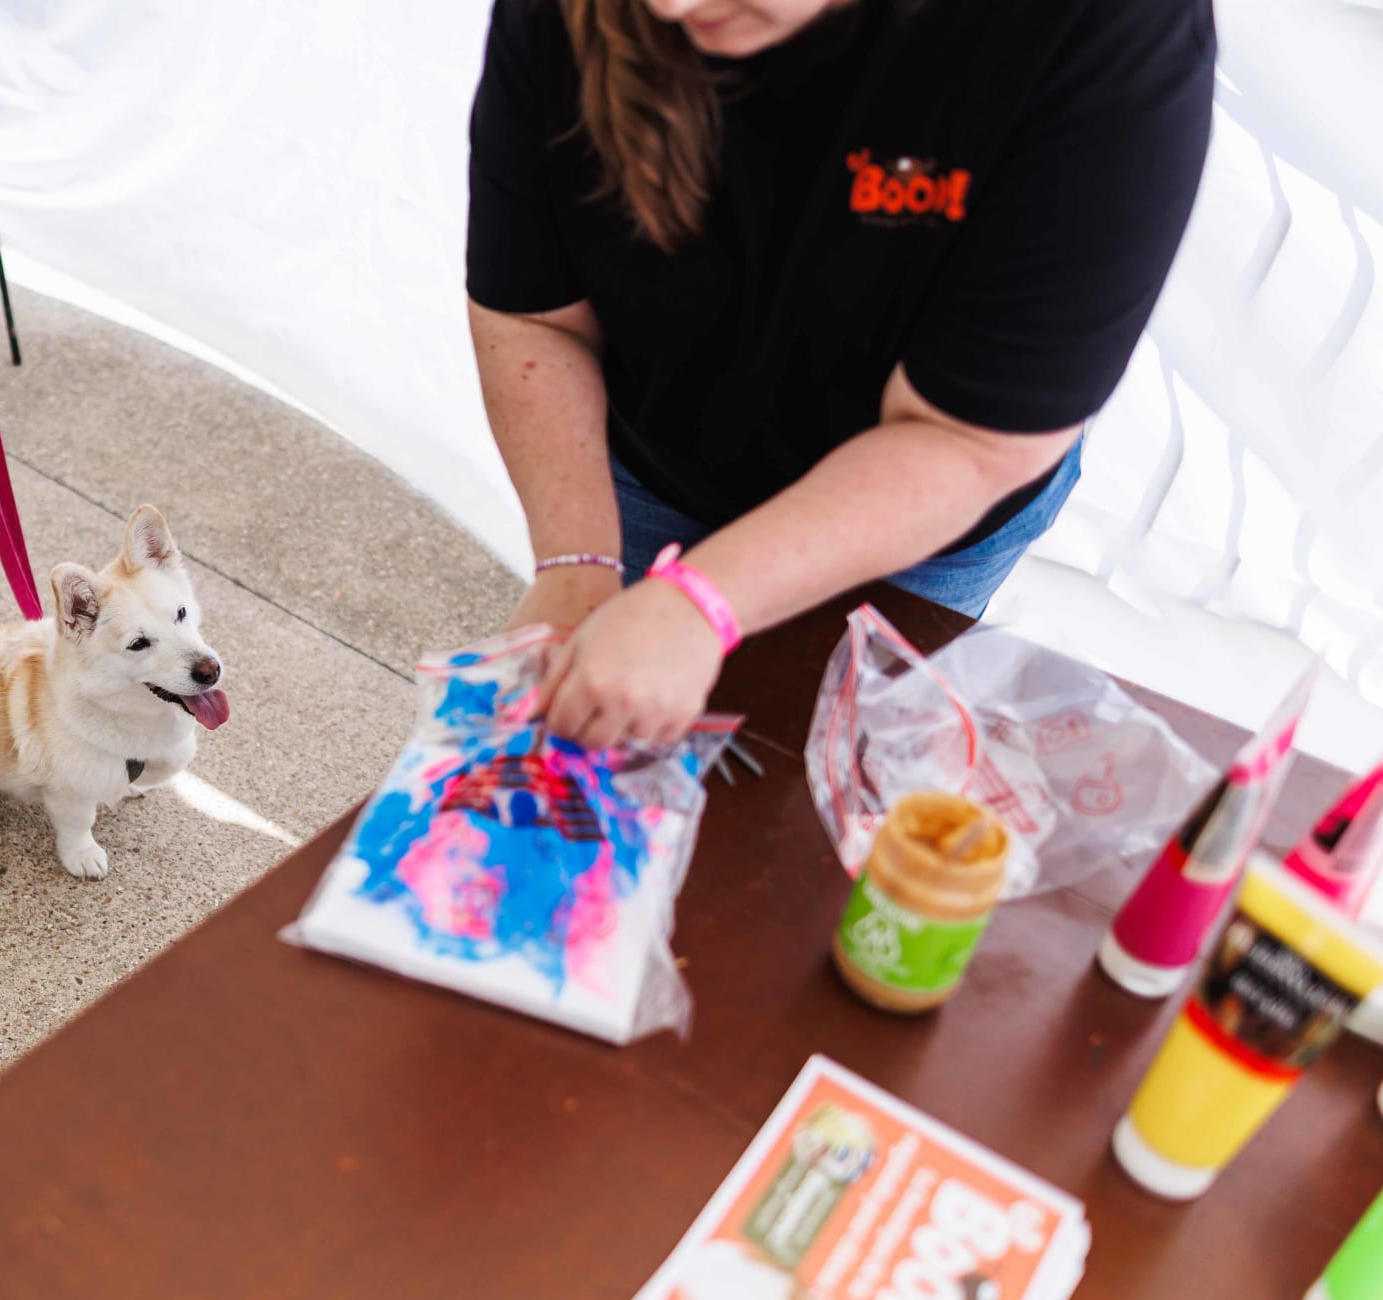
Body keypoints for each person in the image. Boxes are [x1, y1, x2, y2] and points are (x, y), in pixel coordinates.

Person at [466, 0, 1213, 748]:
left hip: (912, 526)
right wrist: (575, 561)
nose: (669, 7)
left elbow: (971, 440)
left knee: (824, 773)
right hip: (643, 465)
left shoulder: (1104, 31)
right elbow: (534, 317)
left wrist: (701, 599)